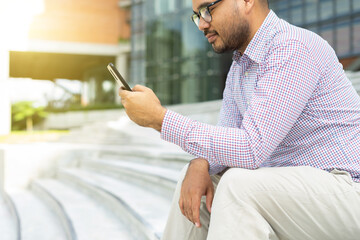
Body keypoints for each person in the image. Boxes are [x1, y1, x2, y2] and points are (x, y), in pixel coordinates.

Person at [119, 0, 360, 239]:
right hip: (303, 195)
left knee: (237, 185)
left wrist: (160, 119)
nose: (202, 24)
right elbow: (227, 144)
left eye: (207, 10)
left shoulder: (292, 47)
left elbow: (250, 149)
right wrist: (200, 164)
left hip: (348, 190)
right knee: (197, 179)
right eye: (196, 16)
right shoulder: (240, 69)